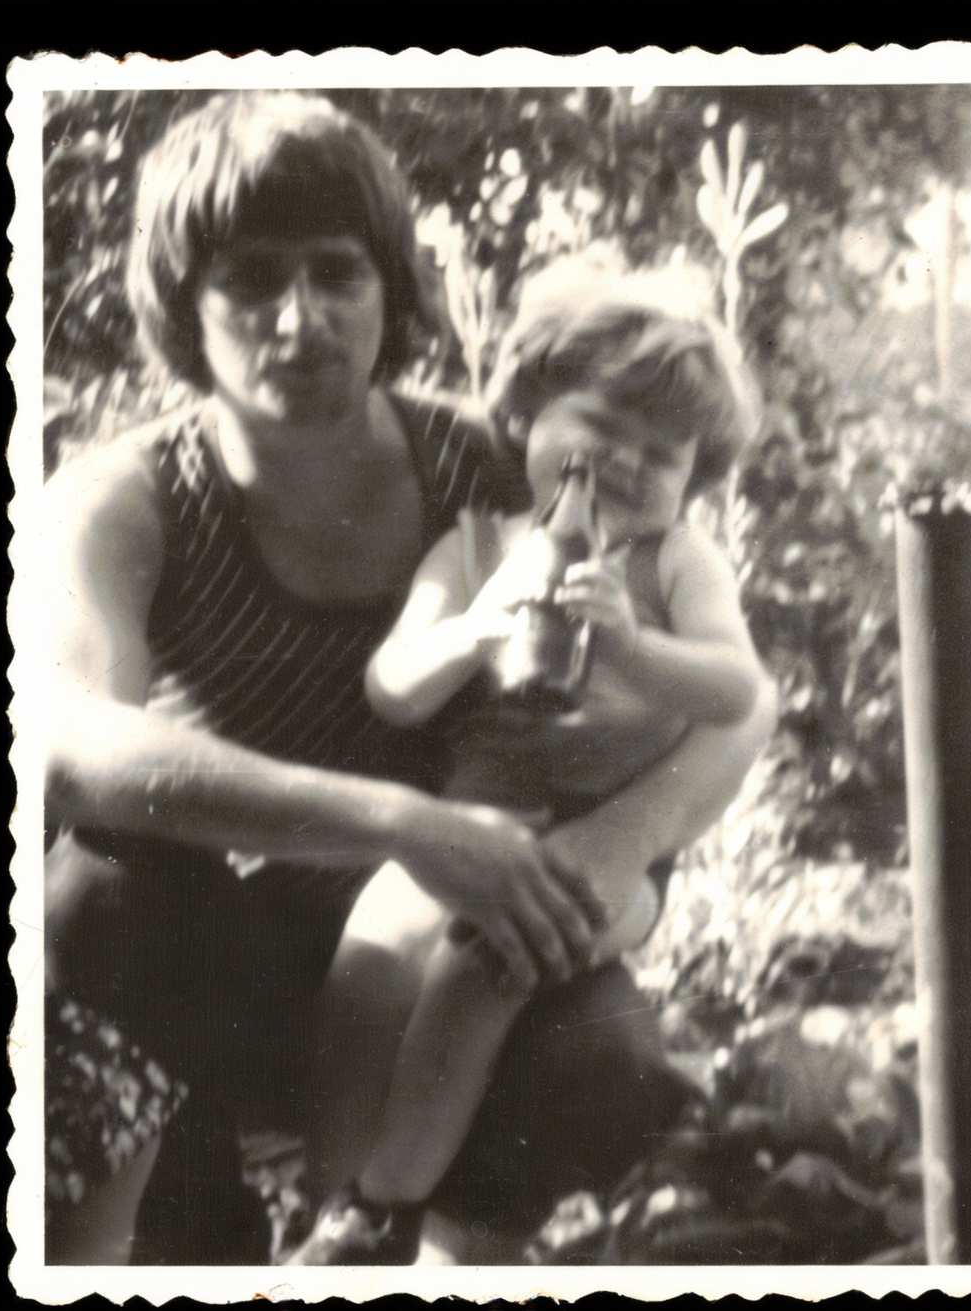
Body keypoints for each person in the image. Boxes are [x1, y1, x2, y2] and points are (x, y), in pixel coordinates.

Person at [42, 93, 775, 1265]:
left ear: (389, 288)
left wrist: (616, 844)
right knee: (99, 895)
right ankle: (179, 1226)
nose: (301, 320)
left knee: (601, 1056)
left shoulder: (490, 466)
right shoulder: (129, 498)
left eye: (338, 272)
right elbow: (73, 748)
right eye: (252, 280)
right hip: (226, 967)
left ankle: (403, 1249)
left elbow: (745, 704)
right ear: (184, 305)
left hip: (445, 949)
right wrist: (402, 823)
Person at [286, 259, 763, 1264]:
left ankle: (381, 1208)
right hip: (468, 824)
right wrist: (471, 631)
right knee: (372, 957)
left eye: (663, 455)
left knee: (485, 965)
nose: (626, 465)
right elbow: (393, 684)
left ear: (693, 481)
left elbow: (735, 687)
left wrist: (633, 643)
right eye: (603, 429)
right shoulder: (475, 546)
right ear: (529, 413)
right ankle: (323, 1202)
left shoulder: (675, 563)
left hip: (604, 857)